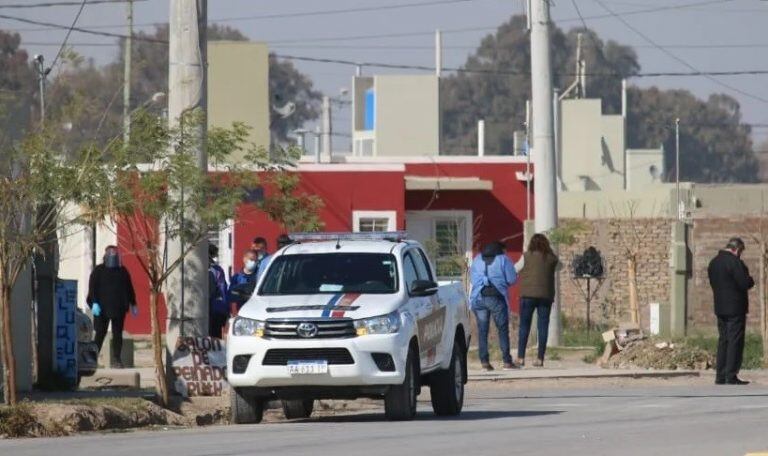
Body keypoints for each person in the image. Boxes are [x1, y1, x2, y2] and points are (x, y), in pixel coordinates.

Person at [708, 237, 755, 385]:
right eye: (741, 251)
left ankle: (720, 375)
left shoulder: (714, 262)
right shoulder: (734, 262)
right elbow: (744, 282)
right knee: (735, 340)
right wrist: (750, 280)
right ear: (737, 249)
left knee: (723, 340)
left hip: (720, 307)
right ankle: (731, 375)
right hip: (735, 307)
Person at [469, 241, 518, 371]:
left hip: (478, 298)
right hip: (496, 297)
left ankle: (484, 362)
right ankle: (507, 361)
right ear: (501, 250)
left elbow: (472, 279)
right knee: (502, 329)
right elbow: (512, 279)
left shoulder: (477, 259)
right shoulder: (503, 259)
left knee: (483, 330)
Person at [86, 246, 137, 369]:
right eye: (110, 252)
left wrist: (133, 303)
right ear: (105, 255)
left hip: (118, 308)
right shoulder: (98, 271)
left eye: (114, 253)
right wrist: (94, 303)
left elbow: (129, 288)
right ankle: (92, 359)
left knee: (117, 334)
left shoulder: (122, 271)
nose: (112, 255)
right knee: (100, 334)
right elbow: (92, 289)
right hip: (101, 309)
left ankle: (117, 360)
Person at [516, 233, 559, 367]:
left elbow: (515, 268)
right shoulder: (552, 258)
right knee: (543, 327)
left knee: (524, 326)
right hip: (546, 296)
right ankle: (540, 359)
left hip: (528, 296)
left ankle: (521, 358)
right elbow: (560, 267)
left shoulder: (526, 256)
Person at [228, 249, 260, 314]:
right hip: (241, 310)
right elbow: (231, 295)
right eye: (251, 259)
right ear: (244, 259)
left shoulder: (260, 276)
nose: (253, 262)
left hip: (256, 311)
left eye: (255, 260)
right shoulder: (237, 277)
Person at [208, 244, 229, 338]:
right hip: (218, 309)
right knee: (215, 338)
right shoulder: (218, 270)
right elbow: (223, 290)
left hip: (212, 310)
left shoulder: (214, 270)